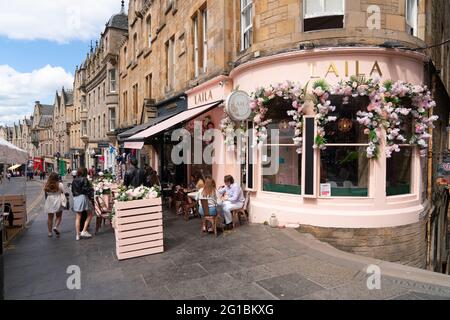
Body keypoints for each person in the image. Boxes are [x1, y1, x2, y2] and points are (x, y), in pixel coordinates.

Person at [72, 167, 94, 241]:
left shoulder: (74, 180)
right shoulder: (84, 179)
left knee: (78, 217)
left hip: (76, 198)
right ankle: (84, 230)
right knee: (90, 213)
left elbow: (72, 190)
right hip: (83, 197)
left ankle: (77, 235)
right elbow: (86, 189)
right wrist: (91, 190)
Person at [44, 172, 65, 238]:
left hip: (49, 200)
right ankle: (55, 226)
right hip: (58, 200)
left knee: (50, 217)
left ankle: (50, 232)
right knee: (58, 216)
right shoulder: (60, 184)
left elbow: (46, 194)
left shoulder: (47, 185)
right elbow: (63, 192)